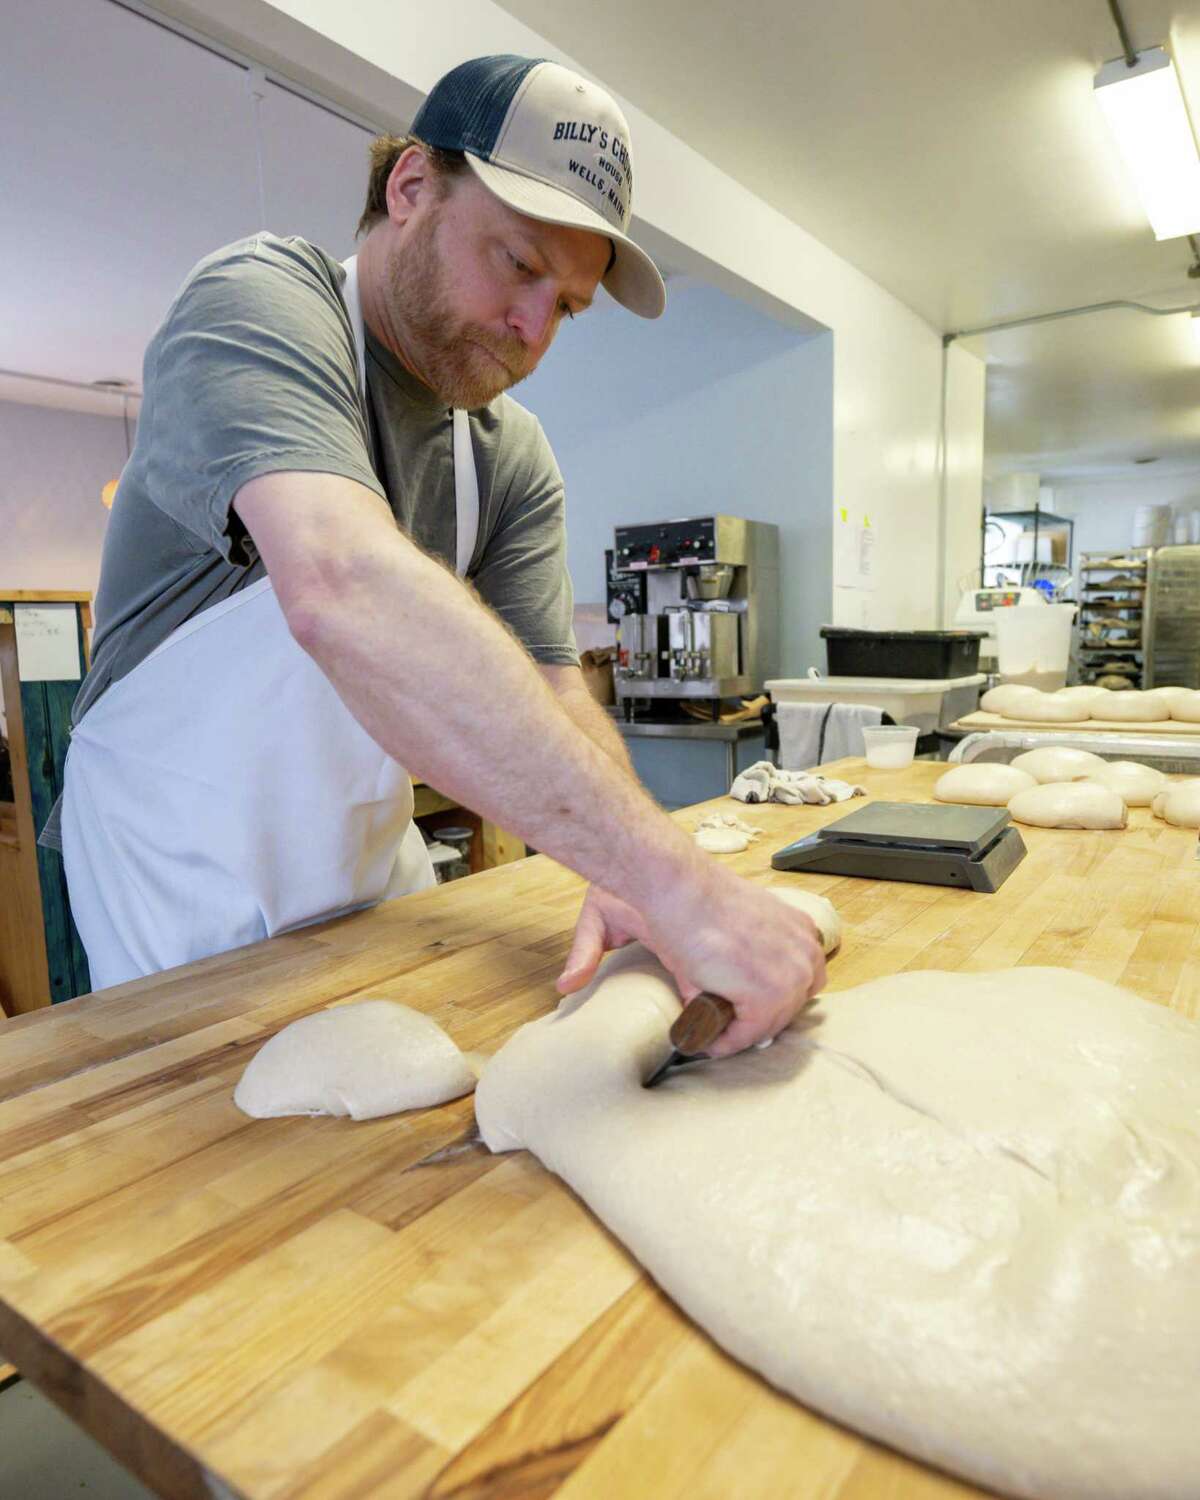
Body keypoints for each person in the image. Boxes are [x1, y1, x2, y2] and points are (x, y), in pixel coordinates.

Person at [49, 54, 825, 1054]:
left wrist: (627, 876)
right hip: (175, 861)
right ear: (410, 186)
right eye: (520, 266)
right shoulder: (260, 304)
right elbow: (339, 586)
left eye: (570, 307)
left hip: (360, 859)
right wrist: (679, 882)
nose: (534, 329)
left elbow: (557, 694)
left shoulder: (508, 457)